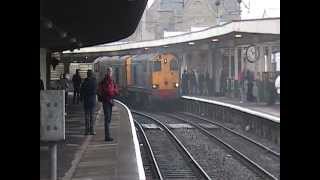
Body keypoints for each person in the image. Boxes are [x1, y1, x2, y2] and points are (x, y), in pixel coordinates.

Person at [98, 67, 119, 141]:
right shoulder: (106, 80)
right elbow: (109, 91)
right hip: (106, 101)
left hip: (109, 101)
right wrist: (113, 92)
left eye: (111, 72)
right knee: (107, 118)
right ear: (107, 72)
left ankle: (108, 135)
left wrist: (114, 91)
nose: (110, 73)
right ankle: (107, 136)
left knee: (109, 118)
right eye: (109, 71)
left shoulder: (111, 80)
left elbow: (115, 89)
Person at [80, 70, 97, 135]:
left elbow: (81, 91)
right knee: (92, 116)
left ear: (87, 75)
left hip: (86, 101)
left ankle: (87, 131)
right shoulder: (94, 82)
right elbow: (96, 91)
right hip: (92, 100)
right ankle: (92, 130)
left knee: (87, 116)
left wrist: (81, 99)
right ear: (92, 74)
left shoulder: (84, 82)